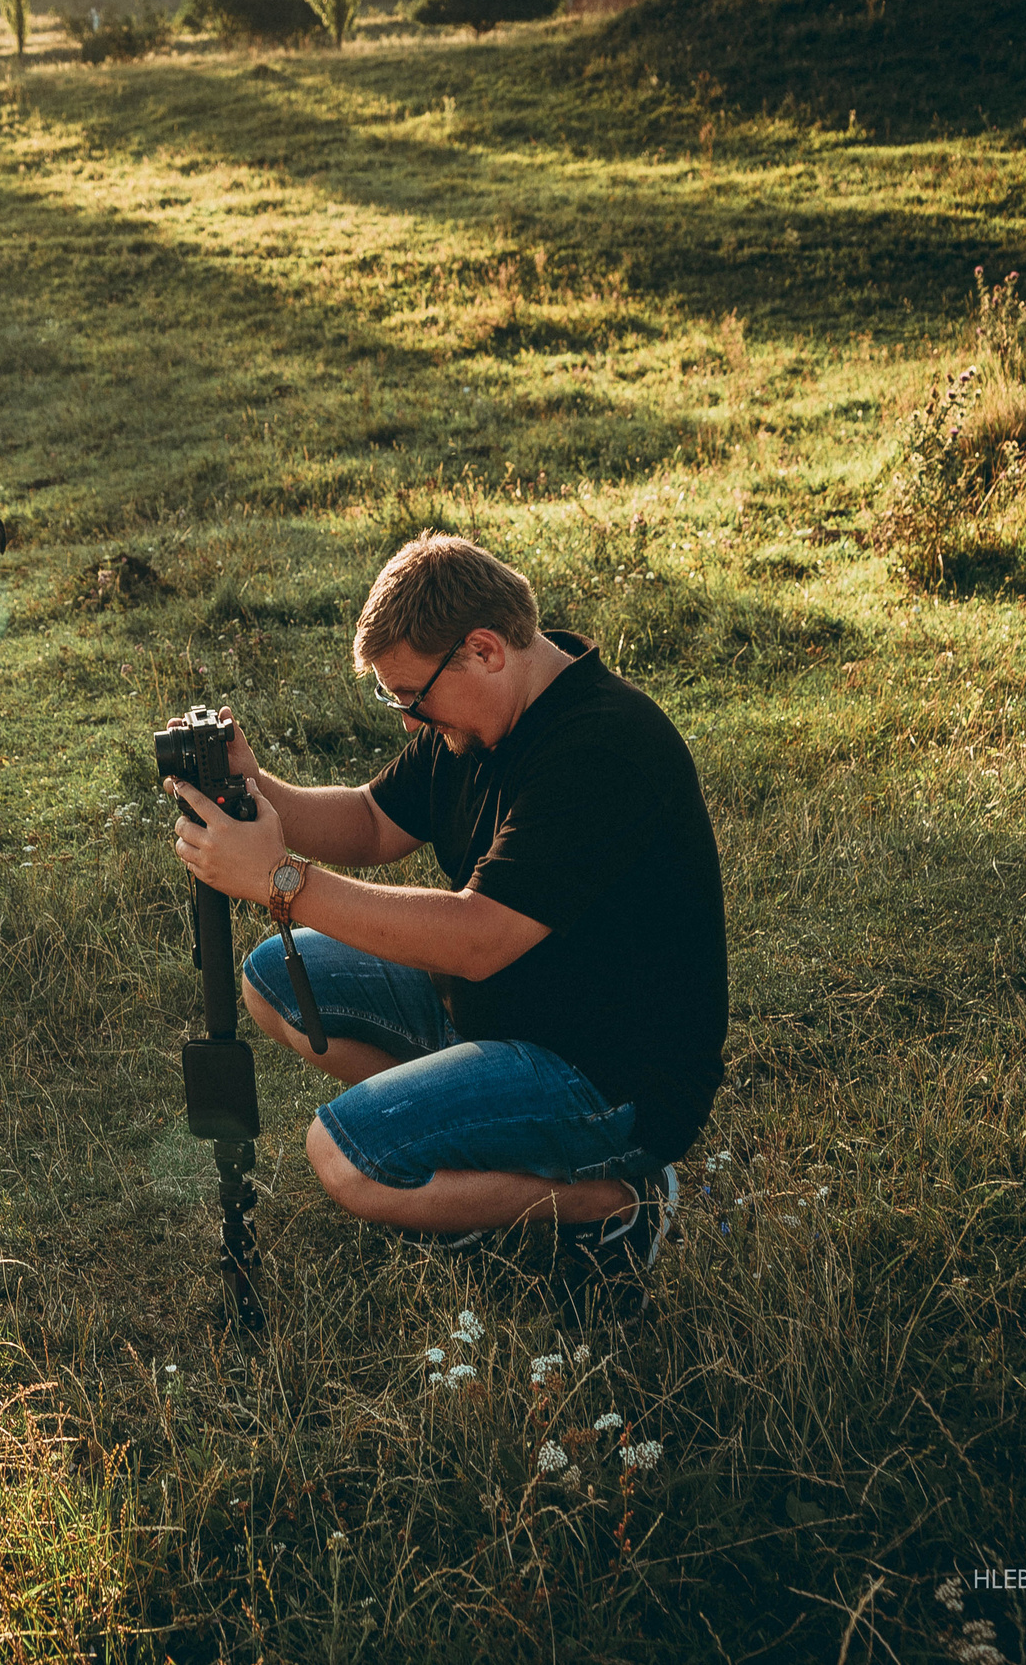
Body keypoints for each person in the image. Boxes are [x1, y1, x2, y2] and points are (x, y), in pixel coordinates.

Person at [162, 533, 727, 1282]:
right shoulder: (480, 713)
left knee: (348, 1158)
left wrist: (280, 881)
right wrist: (257, 789)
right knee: (274, 978)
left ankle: (614, 1197)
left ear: (485, 649)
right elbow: (370, 820)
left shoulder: (601, 748)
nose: (408, 720)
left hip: (607, 1077)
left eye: (411, 697)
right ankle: (468, 1170)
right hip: (507, 1011)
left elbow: (477, 940)